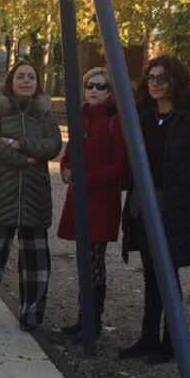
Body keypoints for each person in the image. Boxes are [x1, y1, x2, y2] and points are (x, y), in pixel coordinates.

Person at [119, 55, 190, 363]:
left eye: (162, 78)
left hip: (172, 204)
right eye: (151, 77)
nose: (155, 84)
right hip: (143, 203)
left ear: (176, 82)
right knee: (151, 273)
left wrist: (185, 193)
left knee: (168, 273)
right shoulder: (144, 116)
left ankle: (171, 340)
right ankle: (148, 337)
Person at [0, 60, 63, 332]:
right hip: (2, 192)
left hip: (34, 196)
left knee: (35, 259)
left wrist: (20, 143)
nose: (26, 81)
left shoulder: (44, 114)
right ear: (11, 81)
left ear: (38, 83)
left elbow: (53, 145)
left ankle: (32, 313)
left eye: (31, 77)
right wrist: (25, 160)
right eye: (21, 77)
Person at [55, 66, 129, 340]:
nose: (94, 91)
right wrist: (65, 167)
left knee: (94, 260)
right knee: (83, 260)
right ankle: (83, 318)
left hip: (100, 199)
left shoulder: (115, 120)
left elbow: (122, 165)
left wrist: (89, 179)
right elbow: (69, 153)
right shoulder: (81, 117)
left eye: (101, 86)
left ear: (110, 91)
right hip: (80, 196)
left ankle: (92, 322)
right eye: (90, 86)